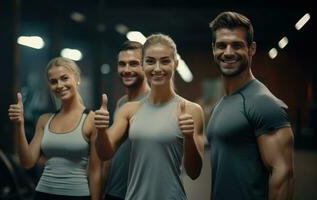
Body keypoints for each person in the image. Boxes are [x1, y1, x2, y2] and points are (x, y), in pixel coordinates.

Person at [95, 33, 205, 200]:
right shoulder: (128, 109)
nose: (157, 68)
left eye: (165, 61)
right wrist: (101, 130)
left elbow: (194, 173)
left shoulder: (192, 110)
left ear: (175, 64)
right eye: (151, 61)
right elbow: (104, 154)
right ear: (143, 64)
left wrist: (189, 138)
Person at [206, 11, 294, 200]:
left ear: (252, 48)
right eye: (221, 45)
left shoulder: (262, 103)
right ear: (213, 49)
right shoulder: (222, 103)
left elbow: (283, 175)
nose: (228, 52)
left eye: (237, 45)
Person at [8, 57, 102, 200]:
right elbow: (27, 162)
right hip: (43, 194)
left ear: (77, 78)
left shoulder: (91, 120)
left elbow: (96, 171)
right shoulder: (45, 120)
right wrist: (19, 125)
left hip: (77, 195)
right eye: (53, 81)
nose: (59, 85)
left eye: (64, 78)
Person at [103, 41, 150, 200]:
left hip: (139, 194)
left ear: (145, 66)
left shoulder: (153, 102)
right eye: (122, 64)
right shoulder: (121, 103)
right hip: (115, 190)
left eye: (133, 64)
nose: (127, 70)